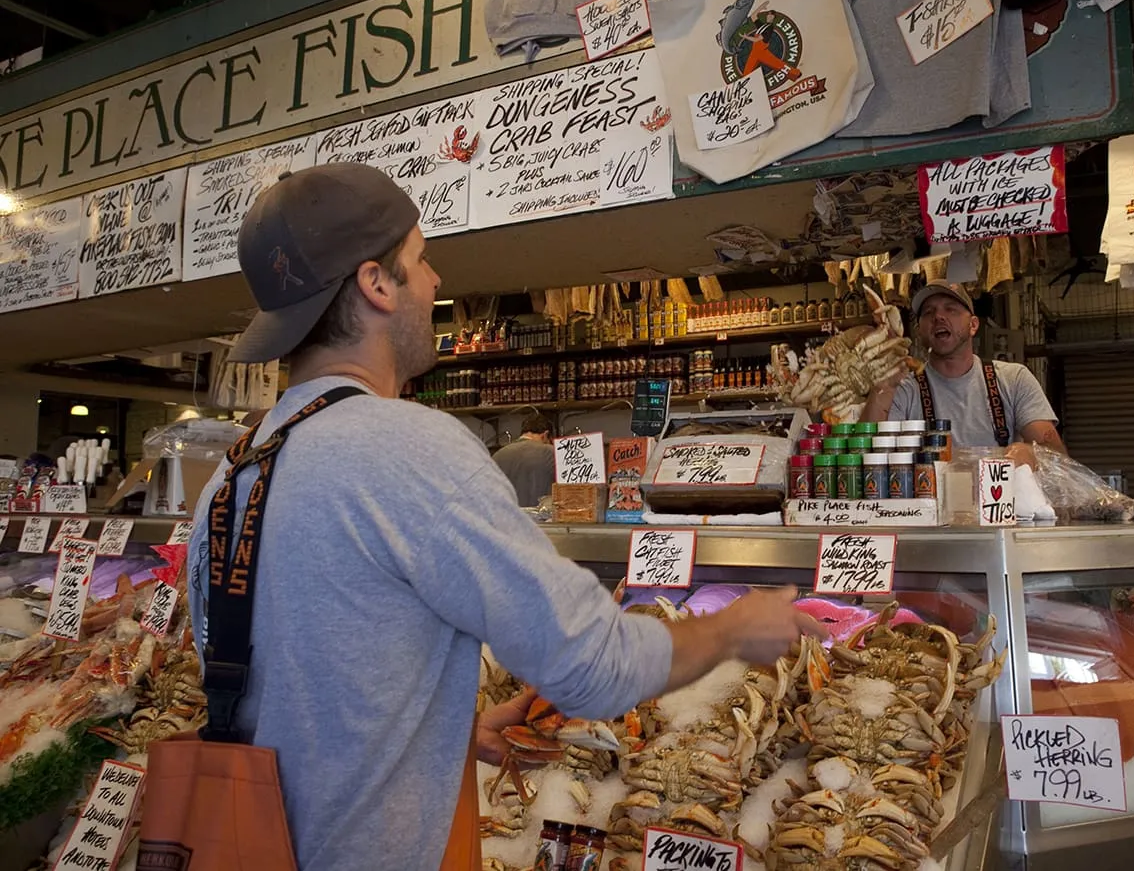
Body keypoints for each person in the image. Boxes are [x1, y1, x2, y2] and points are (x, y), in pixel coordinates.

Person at [185, 164, 826, 871]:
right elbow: (594, 665)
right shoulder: (406, 444)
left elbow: (294, 686)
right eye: (420, 261)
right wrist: (736, 626)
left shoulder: (232, 473)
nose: (433, 285)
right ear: (375, 284)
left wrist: (437, 727)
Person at [861, 280, 1066, 453]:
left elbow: (1056, 459)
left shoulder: (1014, 379)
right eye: (928, 312)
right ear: (919, 331)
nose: (939, 317)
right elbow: (869, 459)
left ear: (973, 325)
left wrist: (1028, 453)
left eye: (951, 309)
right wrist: (882, 389)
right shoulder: (904, 389)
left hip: (998, 499)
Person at [492, 413, 556, 507]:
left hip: (503, 519)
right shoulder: (551, 453)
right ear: (545, 435)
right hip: (541, 520)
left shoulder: (497, 456)